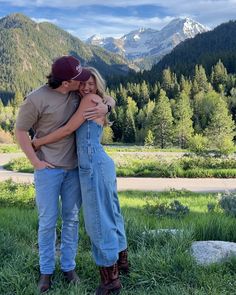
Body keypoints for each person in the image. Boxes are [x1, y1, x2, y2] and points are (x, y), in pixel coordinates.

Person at [15, 56, 114, 293]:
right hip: (48, 170)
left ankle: (69, 267)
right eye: (78, 79)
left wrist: (107, 105)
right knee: (48, 222)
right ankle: (46, 272)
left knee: (71, 220)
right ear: (66, 81)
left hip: (73, 170)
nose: (83, 83)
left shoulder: (76, 94)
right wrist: (35, 162)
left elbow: (103, 95)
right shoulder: (36, 99)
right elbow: (19, 131)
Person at [32, 67, 129, 295]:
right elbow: (110, 99)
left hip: (93, 165)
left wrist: (38, 143)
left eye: (91, 83)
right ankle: (122, 262)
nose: (86, 87)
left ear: (97, 84)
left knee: (97, 221)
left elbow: (67, 129)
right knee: (112, 213)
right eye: (83, 83)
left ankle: (110, 282)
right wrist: (109, 104)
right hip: (100, 163)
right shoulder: (93, 99)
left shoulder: (90, 100)